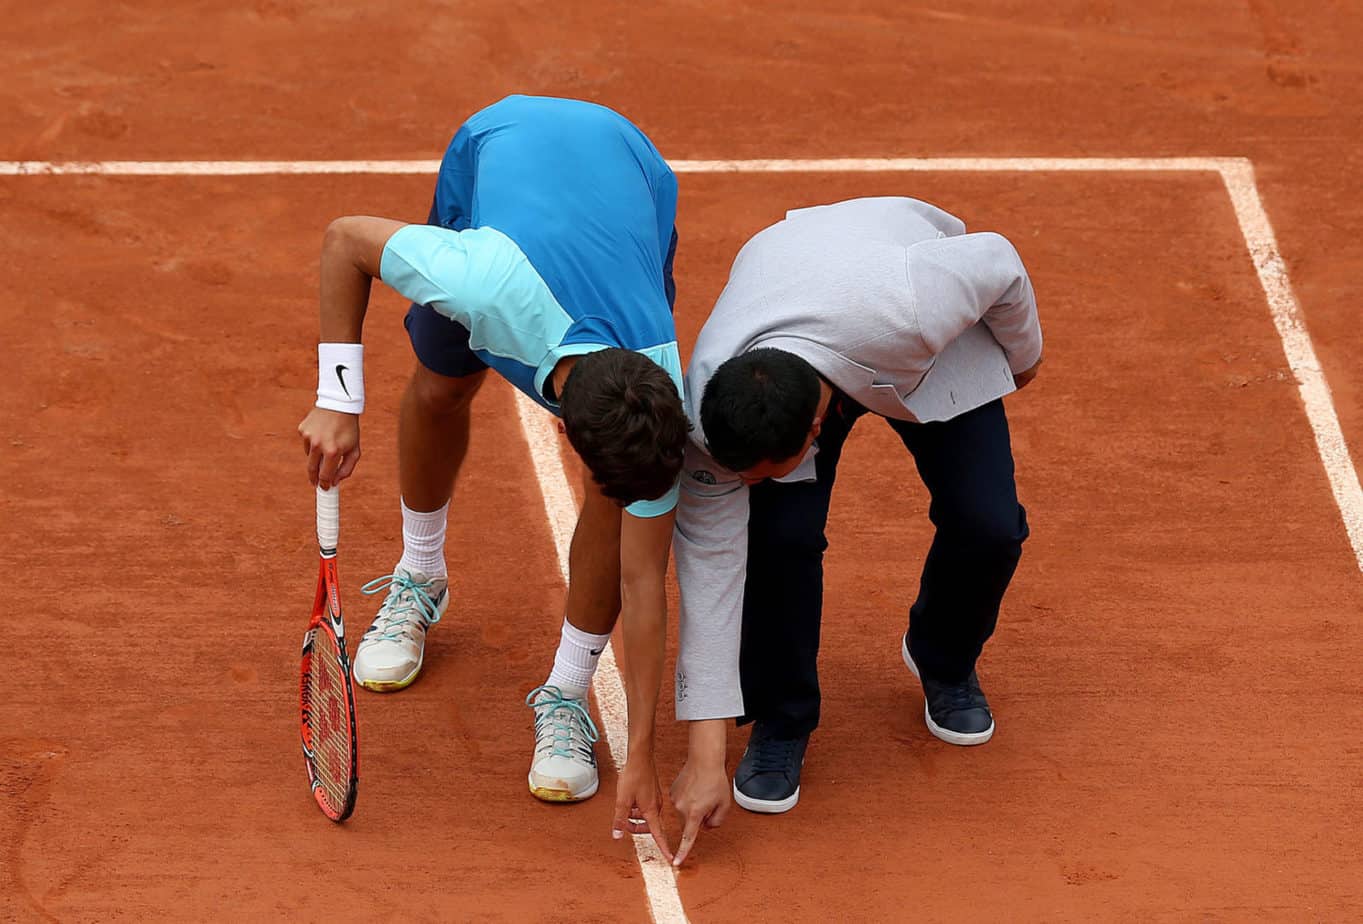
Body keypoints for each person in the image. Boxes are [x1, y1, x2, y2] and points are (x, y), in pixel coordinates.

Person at [296, 95, 687, 856]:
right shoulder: (479, 278)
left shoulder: (661, 394)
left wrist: (641, 749)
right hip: (499, 147)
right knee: (442, 385)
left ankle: (566, 691)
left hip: (630, 165)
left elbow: (646, 582)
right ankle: (420, 573)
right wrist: (337, 401)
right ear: (565, 428)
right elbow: (345, 238)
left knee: (619, 507)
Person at [667, 196, 1042, 860]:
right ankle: (780, 719)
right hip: (796, 280)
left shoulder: (913, 310)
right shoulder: (711, 408)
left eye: (761, 473)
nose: (742, 484)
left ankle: (943, 658)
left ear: (816, 430)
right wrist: (706, 750)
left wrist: (1023, 355)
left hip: (904, 331)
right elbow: (710, 568)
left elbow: (999, 260)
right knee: (776, 542)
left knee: (988, 523)